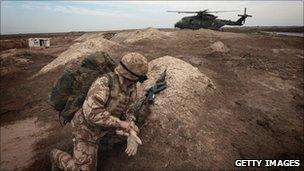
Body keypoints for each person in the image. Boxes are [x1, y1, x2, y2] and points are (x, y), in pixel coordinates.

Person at [50, 52, 148, 171]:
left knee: (135, 130)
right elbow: (92, 114)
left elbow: (129, 110)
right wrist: (121, 124)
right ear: (132, 76)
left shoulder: (131, 87)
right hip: (87, 129)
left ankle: (103, 142)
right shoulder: (104, 83)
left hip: (107, 125)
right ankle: (56, 156)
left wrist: (131, 127)